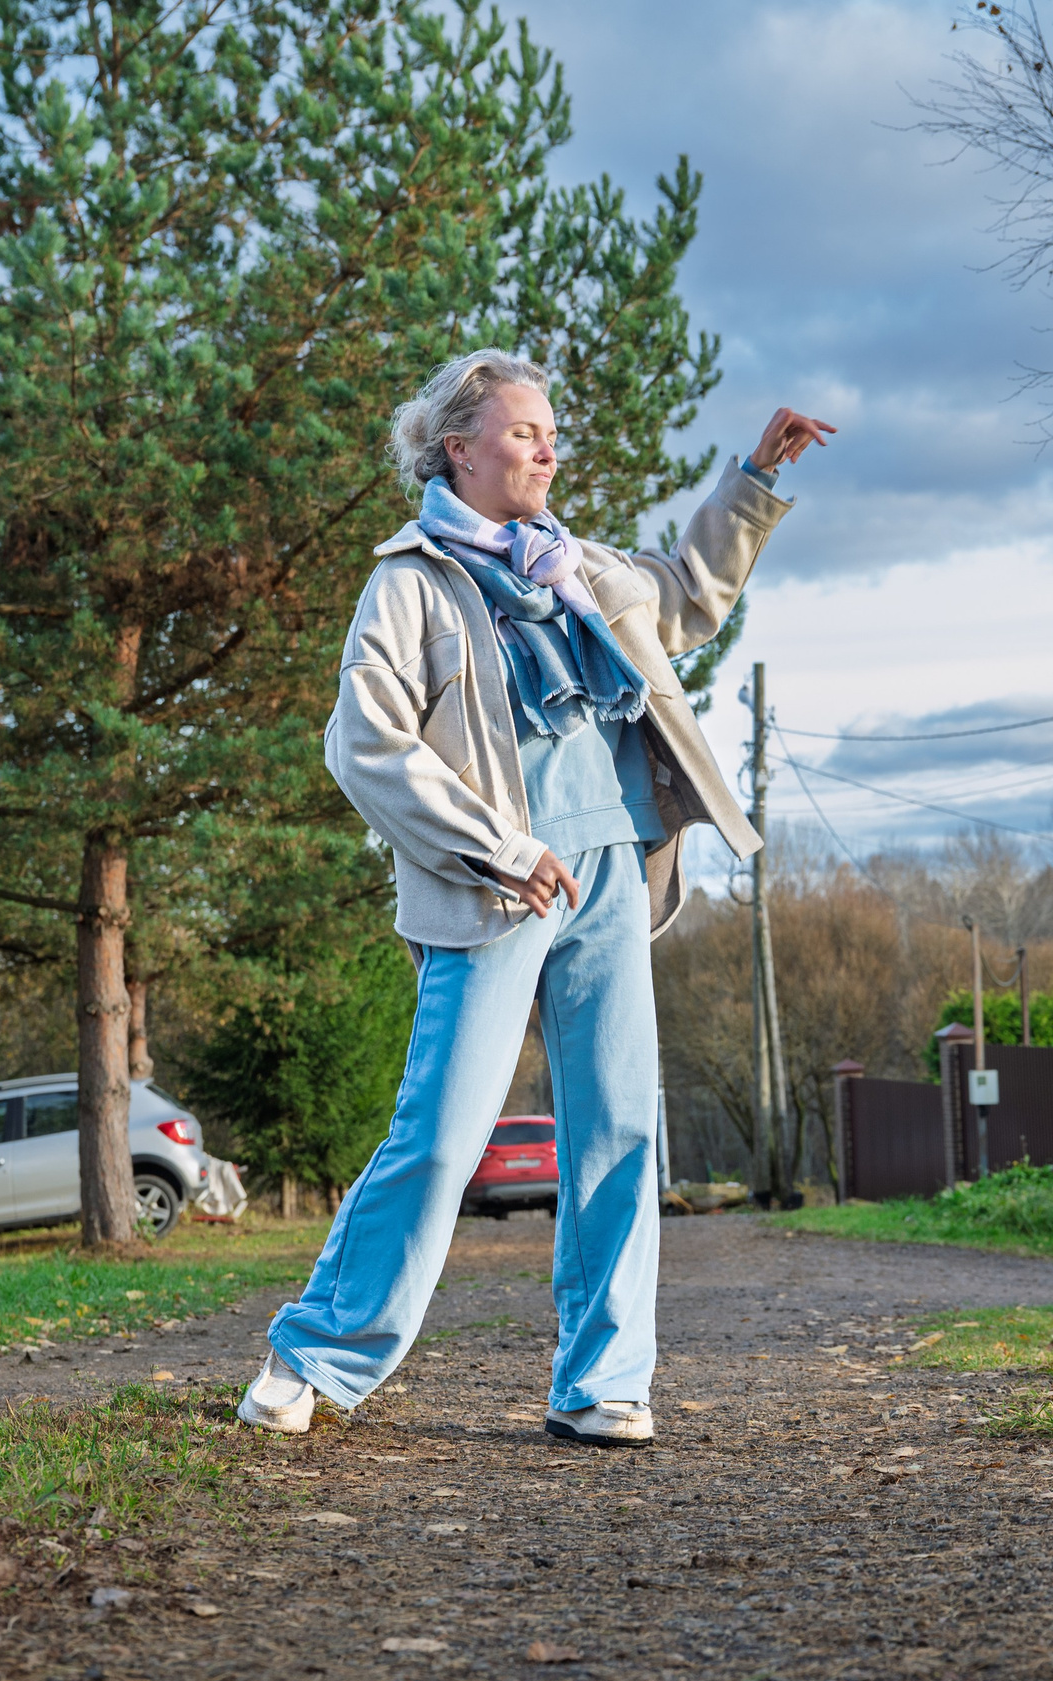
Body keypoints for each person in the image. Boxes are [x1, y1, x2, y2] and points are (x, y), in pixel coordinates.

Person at [237, 349, 834, 1446]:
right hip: (495, 886)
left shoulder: (582, 567)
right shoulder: (409, 582)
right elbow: (364, 746)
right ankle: (312, 1353)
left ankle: (603, 1377)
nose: (547, 447)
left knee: (617, 1131)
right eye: (522, 432)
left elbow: (686, 596)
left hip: (612, 864)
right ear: (454, 449)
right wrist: (494, 845)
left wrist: (751, 479)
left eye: (551, 431)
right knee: (442, 1134)